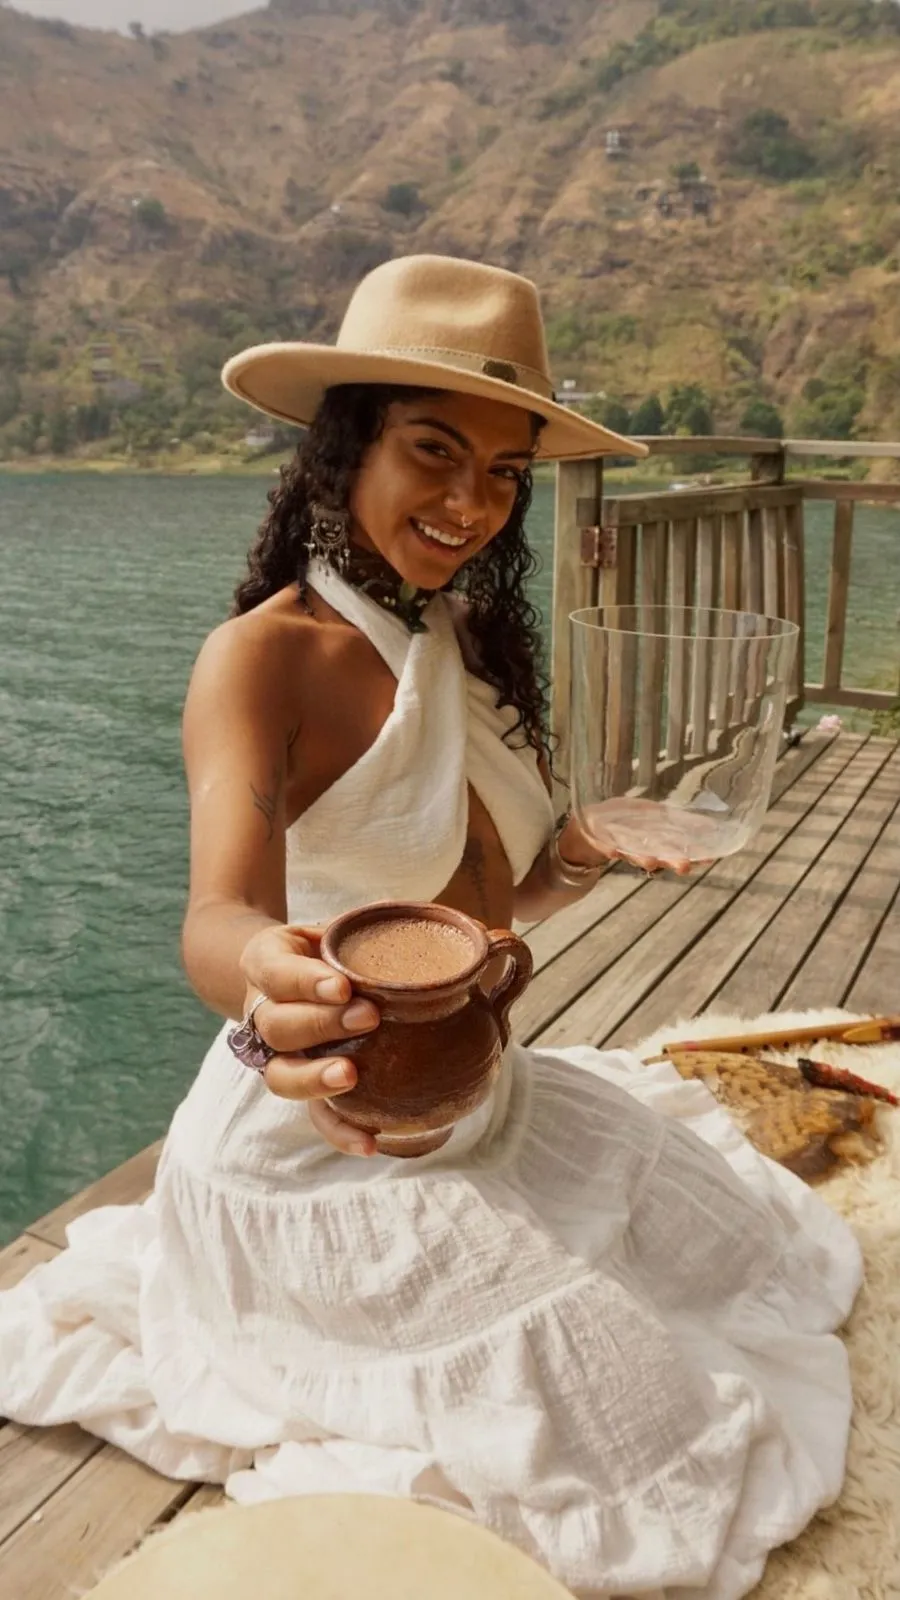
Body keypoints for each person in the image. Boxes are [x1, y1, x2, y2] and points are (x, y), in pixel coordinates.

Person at [0, 256, 862, 1600]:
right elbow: (218, 919)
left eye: (505, 473)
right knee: (629, 1422)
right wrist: (271, 976)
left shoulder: (456, 640)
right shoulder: (265, 659)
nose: (471, 503)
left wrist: (579, 848)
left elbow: (490, 909)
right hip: (319, 1123)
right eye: (434, 451)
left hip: (475, 1089)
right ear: (347, 445)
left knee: (740, 1245)